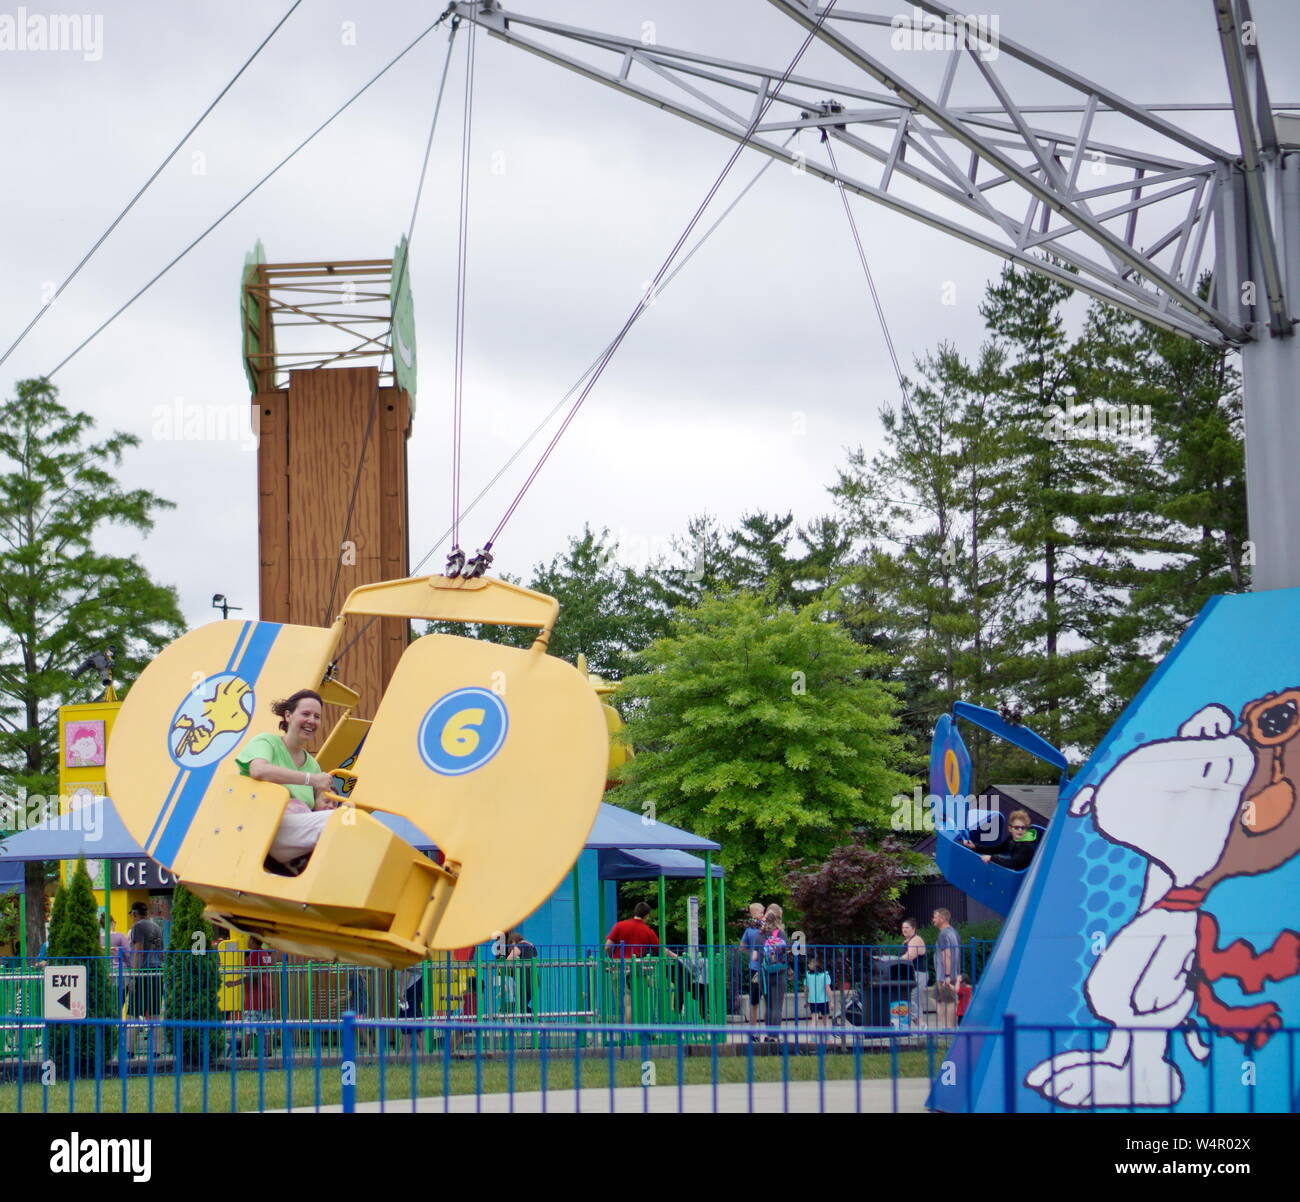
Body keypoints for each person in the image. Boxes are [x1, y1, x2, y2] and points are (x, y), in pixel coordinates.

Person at [235, 689, 339, 872]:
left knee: (350, 820)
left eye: (317, 716)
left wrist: (334, 804)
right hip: (264, 826)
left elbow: (319, 806)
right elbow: (258, 770)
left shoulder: (313, 765)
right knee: (338, 821)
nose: (312, 721)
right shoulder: (267, 742)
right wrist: (310, 779)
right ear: (288, 716)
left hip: (296, 833)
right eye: (306, 714)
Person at [127, 901, 164, 1055]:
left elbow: (138, 951)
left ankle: (130, 1050)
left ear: (135, 914)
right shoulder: (157, 927)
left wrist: (133, 977)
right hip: (156, 972)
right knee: (155, 1012)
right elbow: (161, 953)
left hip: (142, 973)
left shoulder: (138, 927)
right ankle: (157, 1051)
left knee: (133, 1013)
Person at [754, 904, 790, 1043]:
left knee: (768, 1005)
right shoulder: (781, 934)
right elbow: (786, 954)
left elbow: (755, 957)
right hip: (779, 973)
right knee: (777, 1006)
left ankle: (769, 1035)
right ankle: (775, 1036)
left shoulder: (760, 935)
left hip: (765, 974)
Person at [961, 809, 1038, 870]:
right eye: (1017, 827)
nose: (1020, 830)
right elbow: (997, 849)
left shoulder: (1027, 846)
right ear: (1010, 829)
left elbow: (1013, 864)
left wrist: (992, 858)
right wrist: (975, 847)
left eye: (1023, 828)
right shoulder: (1012, 838)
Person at [739, 902, 767, 1032]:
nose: (763, 914)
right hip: (765, 967)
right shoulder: (766, 928)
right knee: (767, 1001)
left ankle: (753, 1030)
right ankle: (769, 1031)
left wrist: (751, 953)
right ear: (754, 913)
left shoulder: (749, 930)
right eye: (761, 912)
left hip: (754, 967)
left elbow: (742, 947)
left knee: (754, 1001)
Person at [933, 908, 960, 1028]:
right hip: (954, 973)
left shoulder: (943, 934)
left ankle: (946, 1028)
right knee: (949, 1000)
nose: (933, 919)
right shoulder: (954, 932)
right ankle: (951, 1027)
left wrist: (947, 976)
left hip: (943, 976)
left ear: (942, 919)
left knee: (943, 1002)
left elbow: (946, 955)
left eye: (935, 917)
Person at [900, 916, 928, 1028]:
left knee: (913, 997)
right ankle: (916, 1023)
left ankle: (921, 1024)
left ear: (913, 928)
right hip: (909, 974)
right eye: (903, 927)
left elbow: (910, 955)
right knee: (910, 998)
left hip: (918, 973)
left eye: (907, 927)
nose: (904, 930)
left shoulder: (916, 940)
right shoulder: (906, 941)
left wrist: (896, 960)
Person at [505, 930, 538, 1016]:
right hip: (534, 979)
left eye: (511, 946)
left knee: (521, 1006)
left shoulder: (520, 945)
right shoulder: (532, 946)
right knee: (522, 1005)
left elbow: (509, 959)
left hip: (524, 980)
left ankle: (536, 1021)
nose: (512, 949)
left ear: (513, 941)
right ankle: (532, 1021)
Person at [804, 955, 833, 1039]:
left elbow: (806, 990)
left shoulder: (808, 975)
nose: (808, 965)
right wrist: (831, 1002)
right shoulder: (825, 975)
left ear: (814, 965)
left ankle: (813, 1038)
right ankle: (827, 1038)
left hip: (813, 1001)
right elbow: (828, 989)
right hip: (824, 1001)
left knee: (814, 1020)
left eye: (809, 964)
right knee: (826, 1021)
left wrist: (806, 1001)